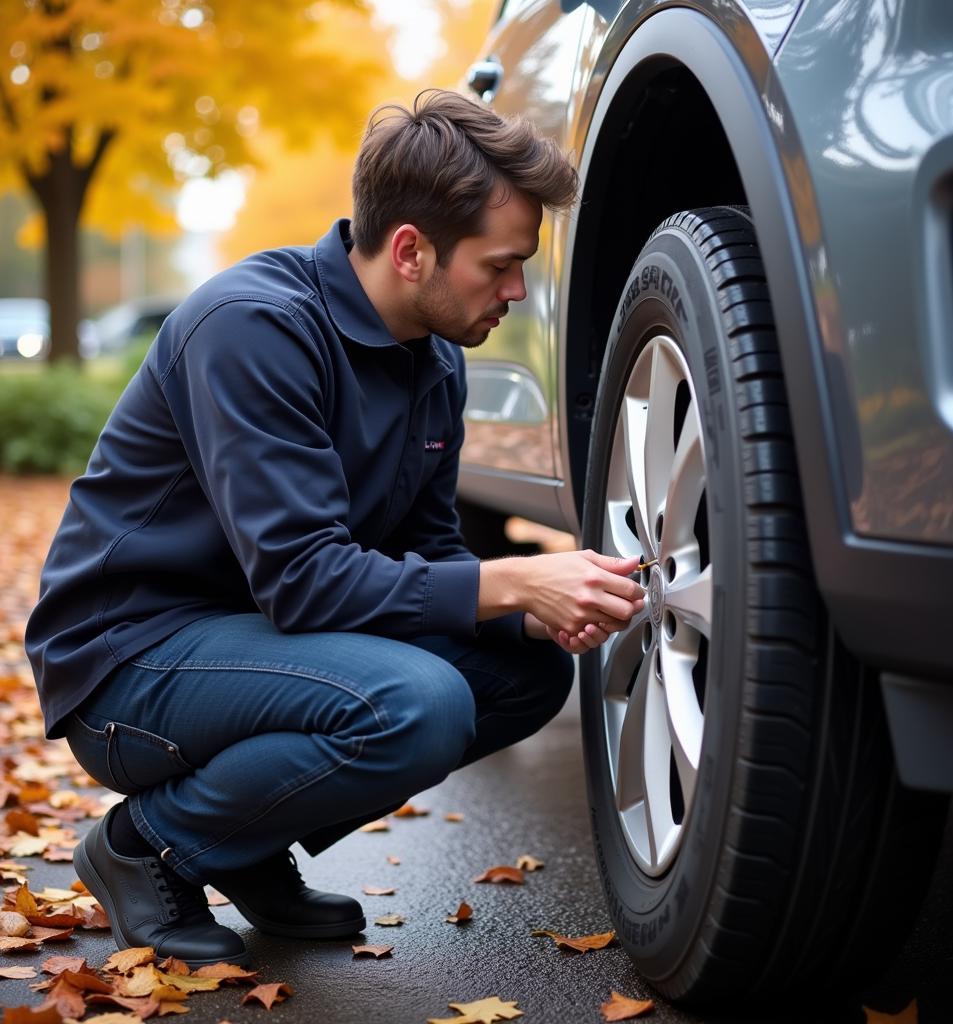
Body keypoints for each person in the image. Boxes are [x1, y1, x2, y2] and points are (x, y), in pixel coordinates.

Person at [24, 90, 645, 967]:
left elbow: (427, 553)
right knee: (418, 705)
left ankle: (241, 843)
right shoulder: (253, 327)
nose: (515, 291)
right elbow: (304, 579)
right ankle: (148, 847)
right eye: (500, 266)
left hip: (263, 643)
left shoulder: (433, 359)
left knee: (525, 669)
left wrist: (526, 611)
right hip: (130, 660)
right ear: (410, 249)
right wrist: (514, 580)